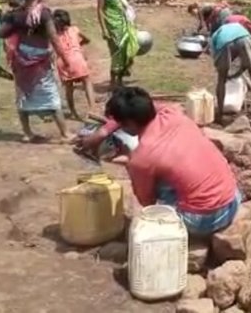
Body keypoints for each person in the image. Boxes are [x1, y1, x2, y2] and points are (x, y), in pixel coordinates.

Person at [74, 87, 242, 235]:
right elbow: (148, 108)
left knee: (156, 196)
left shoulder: (143, 157)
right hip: (233, 200)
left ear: (129, 123)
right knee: (171, 170)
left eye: (119, 122)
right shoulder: (172, 113)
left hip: (202, 220)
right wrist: (102, 132)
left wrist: (130, 163)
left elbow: (147, 202)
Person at [0, 0, 71, 143]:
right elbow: (54, 38)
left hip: (21, 58)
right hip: (40, 60)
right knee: (51, 95)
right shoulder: (43, 13)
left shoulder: (16, 14)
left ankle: (27, 133)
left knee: (23, 94)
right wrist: (65, 59)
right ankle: (66, 133)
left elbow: (1, 33)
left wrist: (9, 20)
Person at [211, 22, 251, 123]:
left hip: (224, 42)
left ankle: (220, 114)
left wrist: (226, 74)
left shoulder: (214, 37)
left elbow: (217, 61)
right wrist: (237, 73)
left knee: (221, 79)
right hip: (244, 37)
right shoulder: (236, 26)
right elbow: (244, 63)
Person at [97, 0, 139, 89]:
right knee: (116, 51)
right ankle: (113, 80)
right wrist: (104, 29)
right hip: (112, 23)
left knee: (128, 50)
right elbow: (100, 9)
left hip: (124, 22)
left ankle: (120, 78)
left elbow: (123, 4)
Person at [53, 9, 96, 120]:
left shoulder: (54, 36)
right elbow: (87, 40)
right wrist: (78, 44)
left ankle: (73, 112)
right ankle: (92, 108)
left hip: (63, 62)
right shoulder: (75, 29)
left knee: (69, 88)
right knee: (87, 82)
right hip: (77, 59)